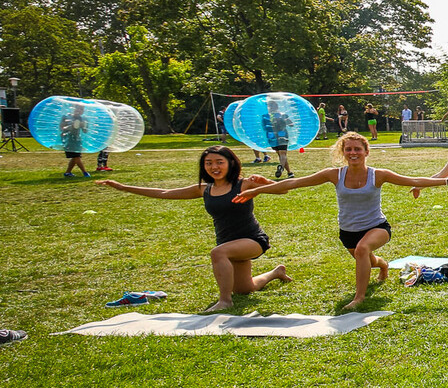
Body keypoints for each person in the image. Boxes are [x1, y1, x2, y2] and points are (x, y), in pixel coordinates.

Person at [239, 132, 448, 309]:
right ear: (343, 152)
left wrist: (446, 181)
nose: (353, 152)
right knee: (366, 257)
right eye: (348, 149)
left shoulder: (379, 174)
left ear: (366, 151)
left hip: (377, 227)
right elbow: (294, 183)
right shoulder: (333, 174)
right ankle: (383, 265)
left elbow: (412, 179)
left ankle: (359, 297)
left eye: (358, 149)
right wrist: (259, 190)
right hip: (348, 231)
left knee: (362, 250)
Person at [95, 146, 291, 311]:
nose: (214, 167)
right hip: (229, 245)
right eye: (209, 163)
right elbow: (164, 193)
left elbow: (283, 190)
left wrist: (265, 183)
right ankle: (276, 272)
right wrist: (124, 187)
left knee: (218, 253)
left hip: (252, 240)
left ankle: (224, 302)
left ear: (231, 163)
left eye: (219, 162)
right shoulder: (204, 189)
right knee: (244, 289)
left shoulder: (244, 184)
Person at [262, 94, 297, 179]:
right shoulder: (283, 115)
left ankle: (289, 172)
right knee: (283, 154)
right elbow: (291, 124)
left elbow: (264, 127)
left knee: (281, 155)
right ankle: (281, 167)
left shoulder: (265, 116)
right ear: (277, 107)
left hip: (272, 137)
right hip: (282, 135)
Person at [59, 102, 90, 178]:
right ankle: (85, 172)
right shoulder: (67, 117)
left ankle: (68, 172)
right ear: (73, 109)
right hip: (68, 138)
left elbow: (85, 131)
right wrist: (70, 126)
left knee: (76, 156)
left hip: (77, 139)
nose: (79, 110)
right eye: (78, 108)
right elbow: (61, 128)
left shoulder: (82, 119)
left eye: (81, 109)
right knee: (76, 156)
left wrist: (84, 126)